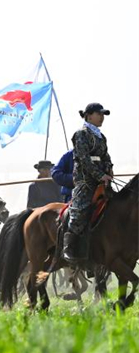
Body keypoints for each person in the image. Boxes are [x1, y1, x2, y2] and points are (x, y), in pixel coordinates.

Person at [64, 103, 113, 262]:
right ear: (89, 115)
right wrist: (100, 175)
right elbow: (84, 159)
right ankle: (69, 247)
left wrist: (109, 169)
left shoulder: (101, 136)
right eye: (99, 114)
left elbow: (106, 157)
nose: (102, 117)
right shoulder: (81, 134)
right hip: (85, 180)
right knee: (79, 211)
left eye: (103, 115)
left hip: (101, 179)